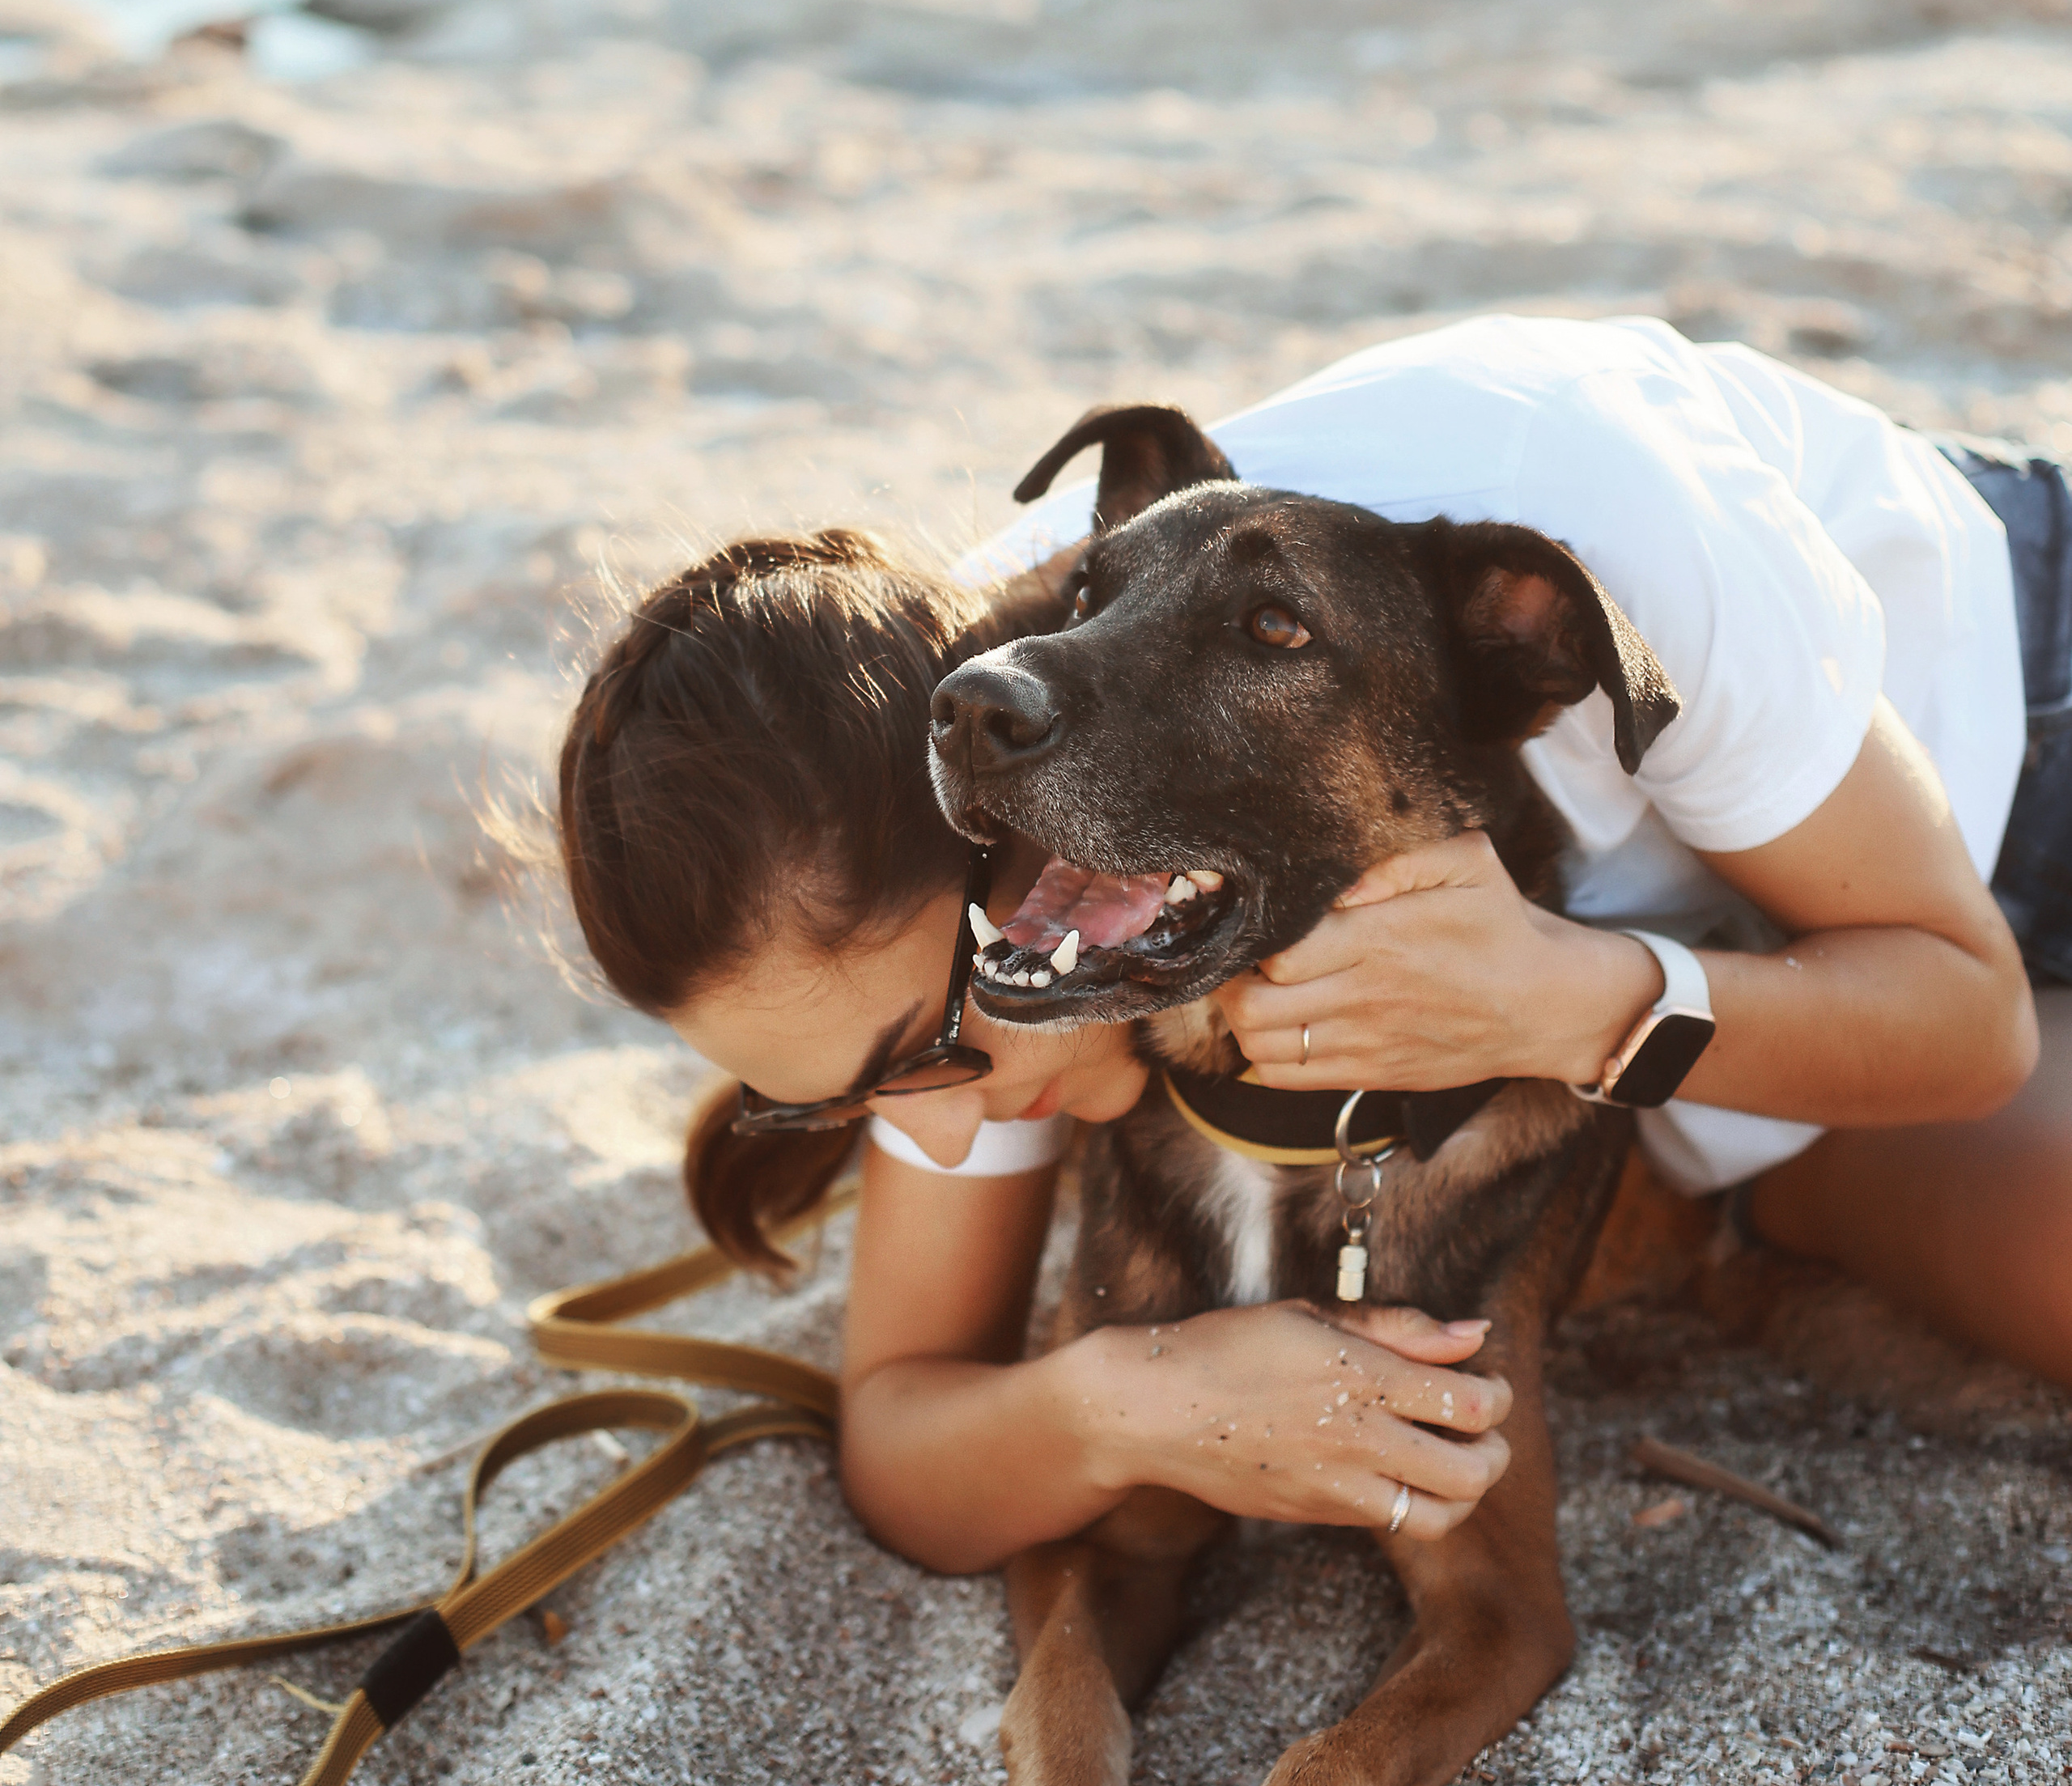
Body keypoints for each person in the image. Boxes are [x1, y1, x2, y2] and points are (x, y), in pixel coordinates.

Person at [555, 314, 2070, 1580]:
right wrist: (1128, 1406)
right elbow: (901, 1448)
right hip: (1751, 1011)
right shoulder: (967, 835)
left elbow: (1968, 1019)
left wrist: (1557, 997)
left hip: (1999, 737)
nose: (940, 1135)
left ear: (1004, 832)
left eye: (922, 1058)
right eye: (838, 1105)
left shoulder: (1597, 532)